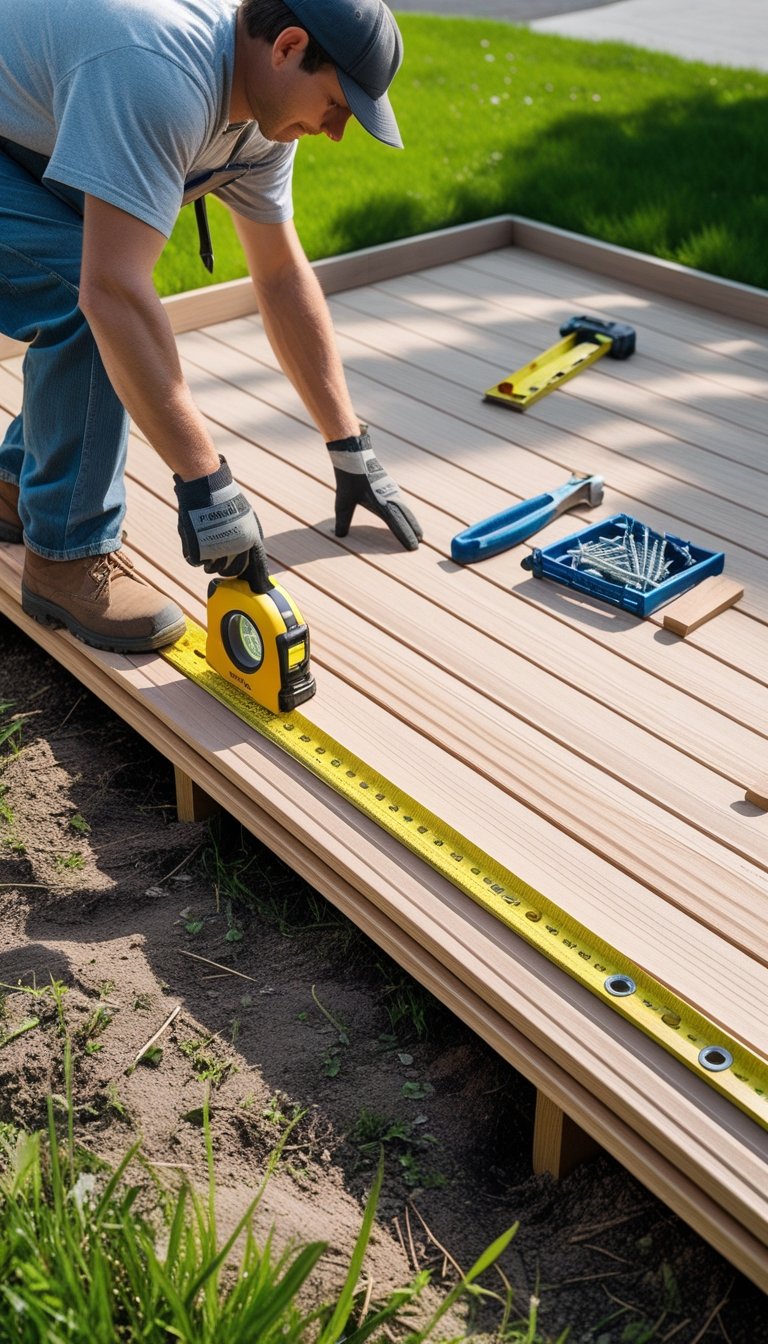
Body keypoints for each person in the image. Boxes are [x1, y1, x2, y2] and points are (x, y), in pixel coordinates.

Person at [0, 0, 423, 653]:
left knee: (101, 279)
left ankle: (15, 485)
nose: (337, 133)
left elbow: (279, 277)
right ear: (287, 47)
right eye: (338, 105)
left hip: (22, 136)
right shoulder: (161, 74)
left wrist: (349, 445)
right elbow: (112, 294)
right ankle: (67, 556)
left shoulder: (262, 124)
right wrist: (207, 484)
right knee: (87, 300)